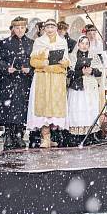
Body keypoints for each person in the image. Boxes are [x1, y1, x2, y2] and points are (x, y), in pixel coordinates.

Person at [28, 18, 70, 148]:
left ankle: (52, 136)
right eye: (48, 27)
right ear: (44, 29)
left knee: (54, 108)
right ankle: (44, 137)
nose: (50, 30)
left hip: (57, 78)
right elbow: (32, 61)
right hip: (43, 78)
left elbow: (67, 61)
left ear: (56, 28)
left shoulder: (62, 42)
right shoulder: (39, 42)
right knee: (44, 107)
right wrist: (42, 62)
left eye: (52, 27)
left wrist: (64, 63)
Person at [0, 17, 34, 149]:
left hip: (24, 81)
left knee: (23, 108)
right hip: (9, 81)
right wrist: (6, 68)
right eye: (17, 28)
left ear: (25, 28)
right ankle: (9, 134)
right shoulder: (5, 43)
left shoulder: (32, 43)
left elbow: (35, 61)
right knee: (9, 108)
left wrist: (30, 69)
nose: (20, 30)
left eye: (22, 28)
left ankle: (19, 134)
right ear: (13, 29)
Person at [66, 35, 103, 144]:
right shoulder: (72, 57)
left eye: (87, 43)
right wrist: (81, 72)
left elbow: (100, 71)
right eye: (82, 43)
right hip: (76, 88)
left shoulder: (94, 56)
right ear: (78, 44)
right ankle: (76, 136)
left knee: (89, 110)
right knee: (77, 111)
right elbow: (69, 73)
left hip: (90, 88)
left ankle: (90, 135)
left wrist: (92, 71)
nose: (84, 46)